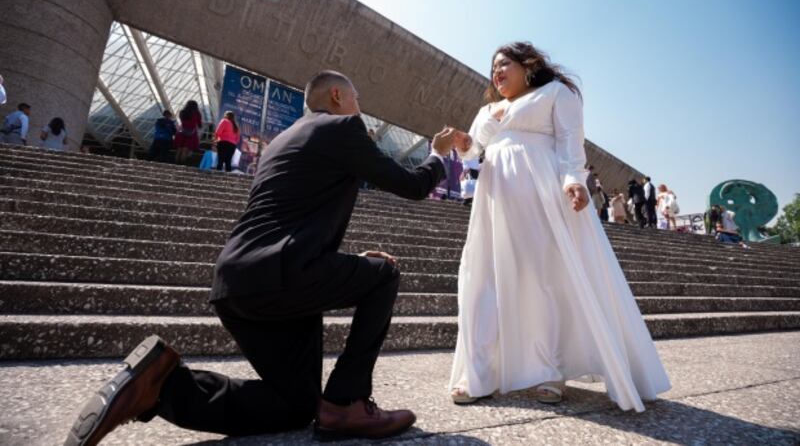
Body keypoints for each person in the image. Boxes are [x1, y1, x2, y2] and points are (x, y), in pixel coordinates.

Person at [65, 70, 456, 445]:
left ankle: (161, 387)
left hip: (239, 284)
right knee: (384, 275)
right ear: (337, 96)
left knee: (293, 406)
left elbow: (290, 218)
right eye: (356, 97)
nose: (359, 106)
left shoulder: (284, 141)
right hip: (282, 275)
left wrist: (341, 260)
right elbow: (413, 185)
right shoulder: (341, 127)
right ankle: (345, 404)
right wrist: (438, 156)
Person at [448, 42, 670, 412]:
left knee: (543, 278)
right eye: (493, 68)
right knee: (483, 278)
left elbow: (571, 143)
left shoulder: (555, 93)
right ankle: (478, 373)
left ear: (527, 64)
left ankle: (548, 371)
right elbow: (475, 150)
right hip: (493, 201)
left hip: (541, 196)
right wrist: (464, 143)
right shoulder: (488, 109)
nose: (497, 73)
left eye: (504, 64)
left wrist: (573, 180)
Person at [174, 100, 202, 164]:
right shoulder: (196, 113)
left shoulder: (182, 112)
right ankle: (181, 166)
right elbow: (199, 124)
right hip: (191, 134)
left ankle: (175, 165)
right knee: (185, 150)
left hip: (181, 132)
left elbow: (182, 121)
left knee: (179, 150)